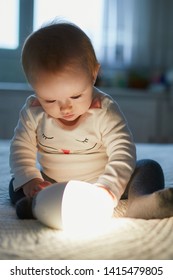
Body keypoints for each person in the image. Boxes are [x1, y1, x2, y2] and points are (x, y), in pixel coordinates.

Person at [9, 20, 173, 221]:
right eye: (50, 100)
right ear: (34, 87)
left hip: (101, 181)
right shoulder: (33, 111)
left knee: (148, 167)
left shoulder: (103, 109)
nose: (65, 108)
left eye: (76, 96)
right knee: (18, 181)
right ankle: (37, 202)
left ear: (94, 74)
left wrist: (108, 186)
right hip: (53, 183)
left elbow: (122, 150)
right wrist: (31, 180)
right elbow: (20, 148)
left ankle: (140, 203)